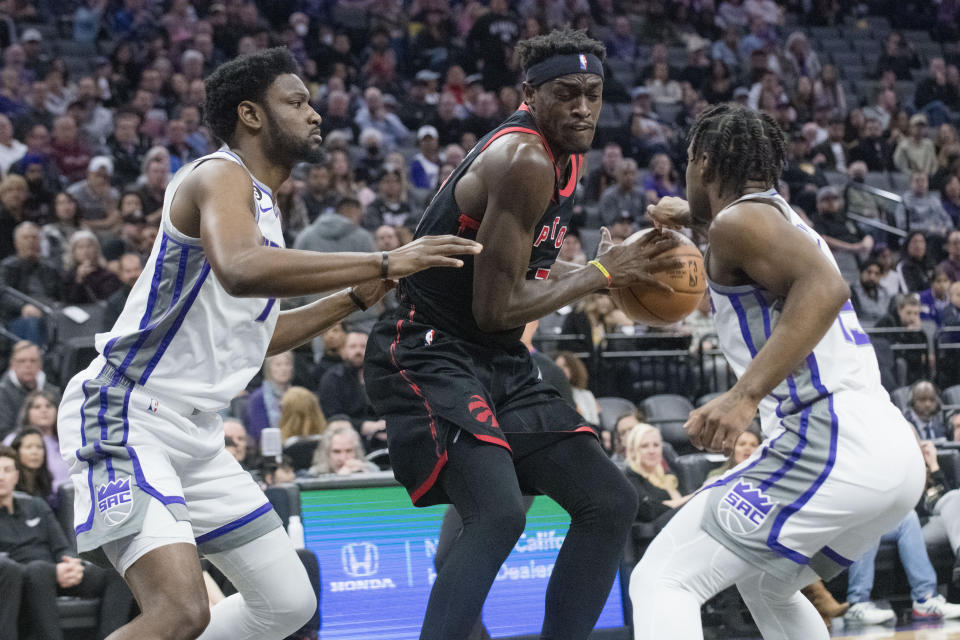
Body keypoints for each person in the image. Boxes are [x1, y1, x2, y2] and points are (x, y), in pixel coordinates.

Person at [55, 48, 481, 640]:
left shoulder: (265, 207)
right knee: (179, 611)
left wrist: (357, 298)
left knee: (286, 606)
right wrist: (385, 256)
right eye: (298, 101)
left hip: (198, 437)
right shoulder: (217, 174)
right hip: (126, 412)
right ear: (251, 115)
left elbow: (259, 336)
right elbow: (239, 268)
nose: (316, 115)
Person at [363, 29, 680, 640]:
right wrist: (597, 274)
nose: (583, 107)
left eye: (593, 93)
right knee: (498, 515)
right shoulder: (524, 158)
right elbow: (494, 306)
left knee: (610, 501)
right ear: (529, 93)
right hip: (427, 348)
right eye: (567, 93)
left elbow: (520, 267)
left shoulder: (567, 151)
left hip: (494, 356)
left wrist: (601, 273)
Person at [630, 103, 925, 640]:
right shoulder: (775, 217)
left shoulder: (740, 221)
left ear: (703, 162)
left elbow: (826, 289)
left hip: (832, 441)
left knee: (662, 579)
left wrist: (743, 396)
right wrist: (694, 219)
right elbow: (757, 253)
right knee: (767, 585)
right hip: (887, 452)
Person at [0, 445, 135, 640]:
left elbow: (61, 545)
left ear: (16, 476)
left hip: (58, 572)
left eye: (7, 470)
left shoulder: (36, 505)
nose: (2, 477)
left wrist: (71, 564)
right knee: (38, 570)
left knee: (117, 571)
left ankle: (110, 637)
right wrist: (54, 571)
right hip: (27, 576)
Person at [319, 330, 383, 450]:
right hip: (347, 441)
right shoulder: (332, 378)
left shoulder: (382, 376)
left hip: (386, 435)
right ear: (343, 351)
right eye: (353, 346)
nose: (358, 351)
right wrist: (366, 426)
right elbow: (334, 418)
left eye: (363, 346)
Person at [624, 423, 691, 532]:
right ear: (633, 450)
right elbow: (648, 510)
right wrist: (695, 495)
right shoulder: (630, 475)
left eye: (656, 445)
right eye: (644, 446)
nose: (652, 451)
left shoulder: (671, 473)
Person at [0, 341, 59, 441]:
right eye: (22, 361)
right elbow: (3, 432)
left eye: (33, 361)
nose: (28, 365)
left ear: (40, 364)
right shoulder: (2, 393)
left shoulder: (53, 392)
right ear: (12, 364)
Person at [244, 351, 294, 447]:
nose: (283, 369)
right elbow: (261, 433)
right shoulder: (258, 398)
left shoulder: (298, 395)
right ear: (269, 369)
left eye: (287, 364)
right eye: (278, 365)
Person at [308, 420, 378, 475]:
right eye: (336, 451)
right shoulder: (315, 474)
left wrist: (364, 475)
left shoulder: (370, 470)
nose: (343, 458)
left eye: (349, 451)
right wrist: (341, 478)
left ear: (356, 451)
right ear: (326, 453)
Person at [554, 350, 599, 425]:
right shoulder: (550, 395)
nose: (561, 370)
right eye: (557, 367)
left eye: (565, 366)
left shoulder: (586, 394)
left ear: (573, 369)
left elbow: (595, 422)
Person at [11, 426, 54, 504]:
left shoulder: (46, 480)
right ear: (16, 451)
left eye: (39, 447)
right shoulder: (10, 482)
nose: (35, 452)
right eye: (28, 447)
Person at [850, 260, 891, 328]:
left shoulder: (885, 292)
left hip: (882, 330)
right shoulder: (852, 292)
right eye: (869, 272)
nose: (872, 277)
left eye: (876, 274)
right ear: (861, 273)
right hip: (861, 329)